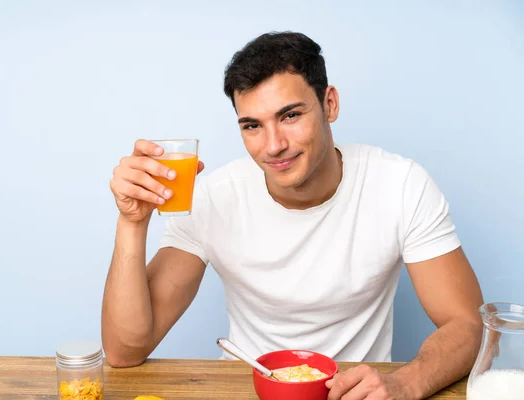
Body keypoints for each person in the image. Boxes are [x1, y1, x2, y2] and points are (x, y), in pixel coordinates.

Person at [102, 31, 484, 399]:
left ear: (329, 104)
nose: (273, 146)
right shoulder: (214, 196)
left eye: (289, 116)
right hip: (247, 391)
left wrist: (404, 384)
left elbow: (466, 324)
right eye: (252, 125)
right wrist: (132, 223)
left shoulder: (400, 185)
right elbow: (125, 351)